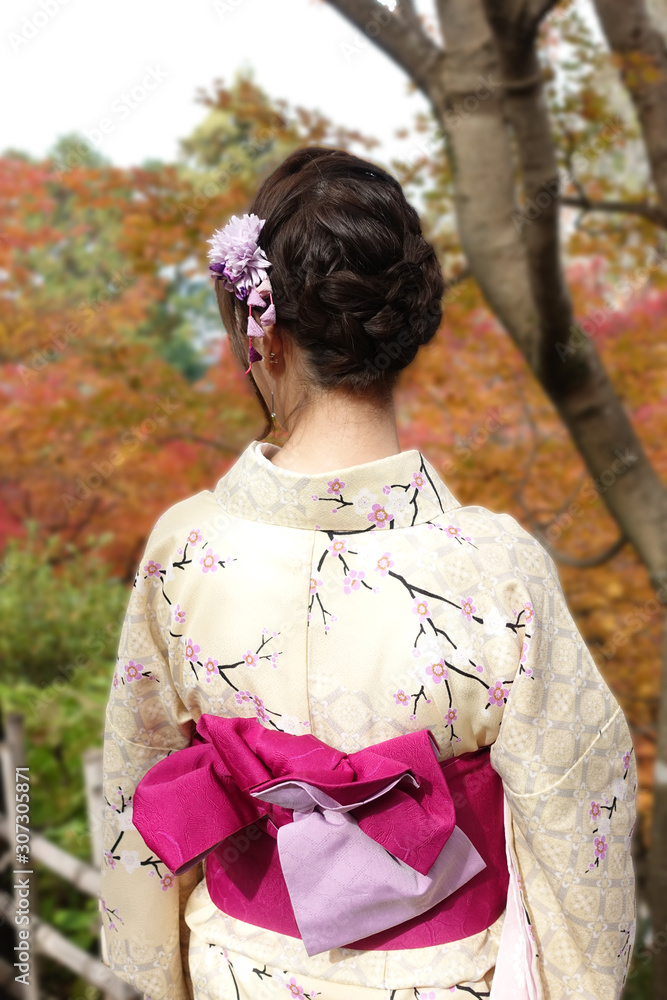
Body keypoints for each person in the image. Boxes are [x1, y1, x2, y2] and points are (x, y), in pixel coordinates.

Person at [99, 146, 637, 1000]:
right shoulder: (493, 569)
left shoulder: (187, 550)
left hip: (234, 974)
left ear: (258, 329)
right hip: (444, 981)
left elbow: (142, 799)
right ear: (402, 326)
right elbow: (579, 814)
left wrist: (143, 981)